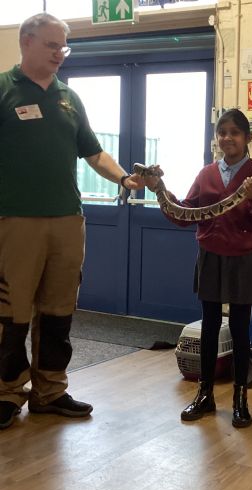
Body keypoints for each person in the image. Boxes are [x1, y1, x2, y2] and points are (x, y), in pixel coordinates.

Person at [0, 13, 145, 430]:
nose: (60, 54)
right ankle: (7, 392)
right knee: (11, 314)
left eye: (63, 47)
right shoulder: (4, 89)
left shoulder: (69, 98)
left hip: (67, 220)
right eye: (51, 45)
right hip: (16, 220)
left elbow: (93, 152)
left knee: (59, 311)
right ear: (26, 42)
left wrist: (124, 178)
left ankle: (50, 391)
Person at [144, 108, 252, 427]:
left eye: (234, 132)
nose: (227, 138)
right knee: (210, 326)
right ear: (216, 138)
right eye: (222, 132)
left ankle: (240, 399)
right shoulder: (206, 174)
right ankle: (205, 395)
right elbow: (184, 213)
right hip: (211, 255)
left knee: (241, 328)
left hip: (242, 257)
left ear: (247, 138)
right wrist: (159, 189)